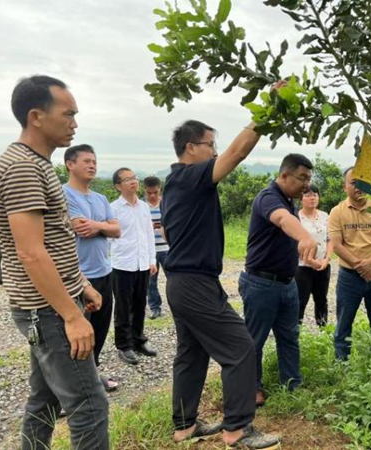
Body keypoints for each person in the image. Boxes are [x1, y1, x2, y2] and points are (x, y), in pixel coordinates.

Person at [0, 75, 108, 449]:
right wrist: (72, 315)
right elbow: (31, 252)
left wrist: (82, 284)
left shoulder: (38, 164)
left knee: (43, 399)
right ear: (36, 117)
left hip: (53, 302)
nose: (75, 123)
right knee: (89, 404)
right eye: (68, 114)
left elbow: (55, 239)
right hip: (47, 308)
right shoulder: (23, 167)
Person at [161, 117, 282, 448]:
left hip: (181, 281)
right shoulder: (191, 177)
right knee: (240, 347)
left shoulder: (172, 183)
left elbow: (169, 233)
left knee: (191, 352)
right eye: (210, 145)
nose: (215, 152)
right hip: (195, 282)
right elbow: (238, 152)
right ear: (191, 148)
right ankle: (237, 429)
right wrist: (265, 114)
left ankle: (185, 426)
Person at [239, 153, 318, 407]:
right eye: (302, 178)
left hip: (287, 283)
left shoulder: (287, 199)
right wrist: (305, 236)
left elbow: (281, 236)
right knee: (254, 340)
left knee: (289, 336)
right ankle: (250, 388)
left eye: (309, 178)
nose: (306, 185)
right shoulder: (269, 198)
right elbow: (283, 220)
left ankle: (292, 384)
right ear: (284, 175)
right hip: (261, 284)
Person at [63, 144, 121, 391]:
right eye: (86, 161)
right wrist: (103, 226)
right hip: (79, 277)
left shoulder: (99, 198)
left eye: (94, 161)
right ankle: (72, 387)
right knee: (77, 335)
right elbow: (80, 228)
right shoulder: (64, 195)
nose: (92, 165)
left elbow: (117, 230)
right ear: (70, 164)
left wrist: (98, 226)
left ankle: (92, 375)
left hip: (104, 272)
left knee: (99, 329)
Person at [329, 168, 371, 360]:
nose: (359, 187)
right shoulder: (337, 212)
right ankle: (342, 365)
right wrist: (360, 266)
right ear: (345, 186)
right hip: (349, 278)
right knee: (343, 324)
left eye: (364, 181)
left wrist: (370, 264)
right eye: (354, 182)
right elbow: (337, 245)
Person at [110, 168, 158, 365]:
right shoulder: (113, 208)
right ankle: (124, 345)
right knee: (123, 306)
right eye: (127, 179)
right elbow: (108, 238)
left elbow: (149, 235)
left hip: (142, 264)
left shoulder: (144, 207)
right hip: (122, 264)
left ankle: (138, 340)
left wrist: (152, 260)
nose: (133, 182)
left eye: (134, 178)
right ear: (118, 186)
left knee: (140, 304)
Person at [296, 183, 333, 327]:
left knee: (321, 299)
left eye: (315, 195)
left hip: (323, 266)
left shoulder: (325, 216)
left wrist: (326, 259)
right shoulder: (296, 217)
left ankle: (323, 331)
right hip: (302, 266)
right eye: (308, 195)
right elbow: (294, 242)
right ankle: (296, 331)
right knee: (300, 300)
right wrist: (310, 261)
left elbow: (330, 239)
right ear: (301, 198)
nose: (312, 198)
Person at [144, 175, 168, 319]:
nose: (152, 195)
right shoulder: (141, 205)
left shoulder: (166, 203)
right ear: (145, 190)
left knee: (174, 279)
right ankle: (155, 308)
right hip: (149, 251)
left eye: (155, 192)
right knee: (151, 282)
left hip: (167, 248)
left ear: (160, 189)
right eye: (149, 193)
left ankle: (178, 305)